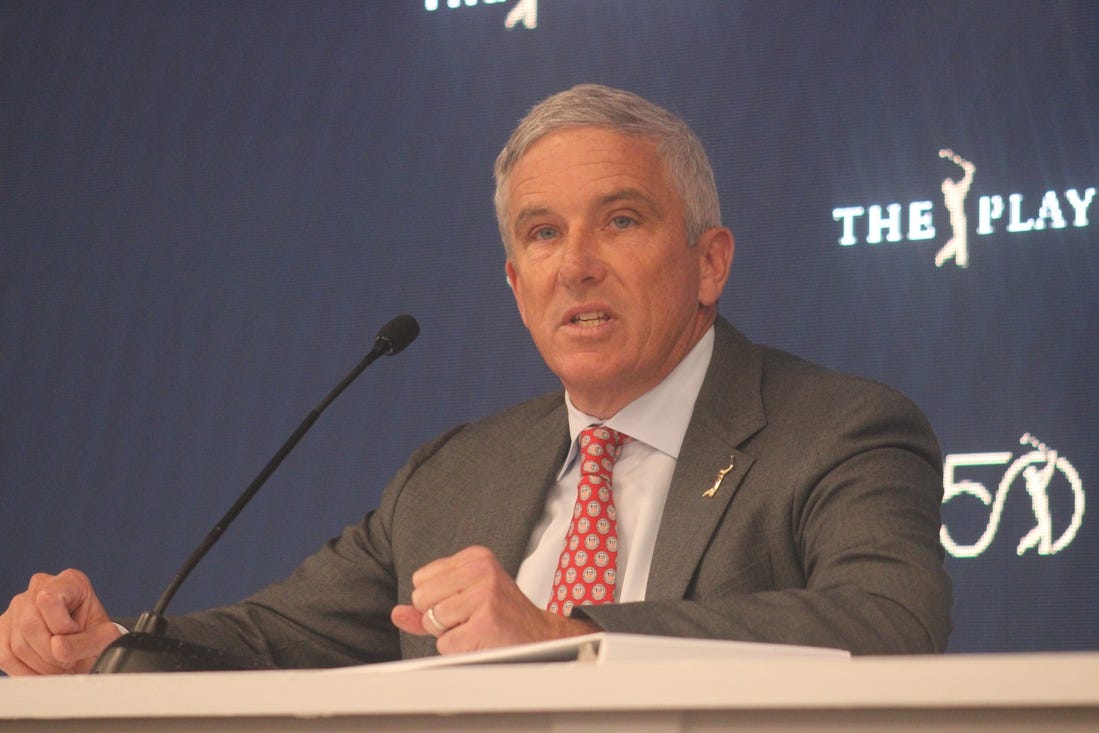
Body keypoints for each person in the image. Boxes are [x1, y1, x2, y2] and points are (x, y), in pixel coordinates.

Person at [0, 84, 952, 675]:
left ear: (710, 262)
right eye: (542, 234)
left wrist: (563, 628)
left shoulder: (838, 430)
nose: (575, 264)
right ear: (515, 283)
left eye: (620, 220)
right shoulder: (453, 475)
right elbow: (269, 638)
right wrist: (111, 648)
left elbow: (890, 620)